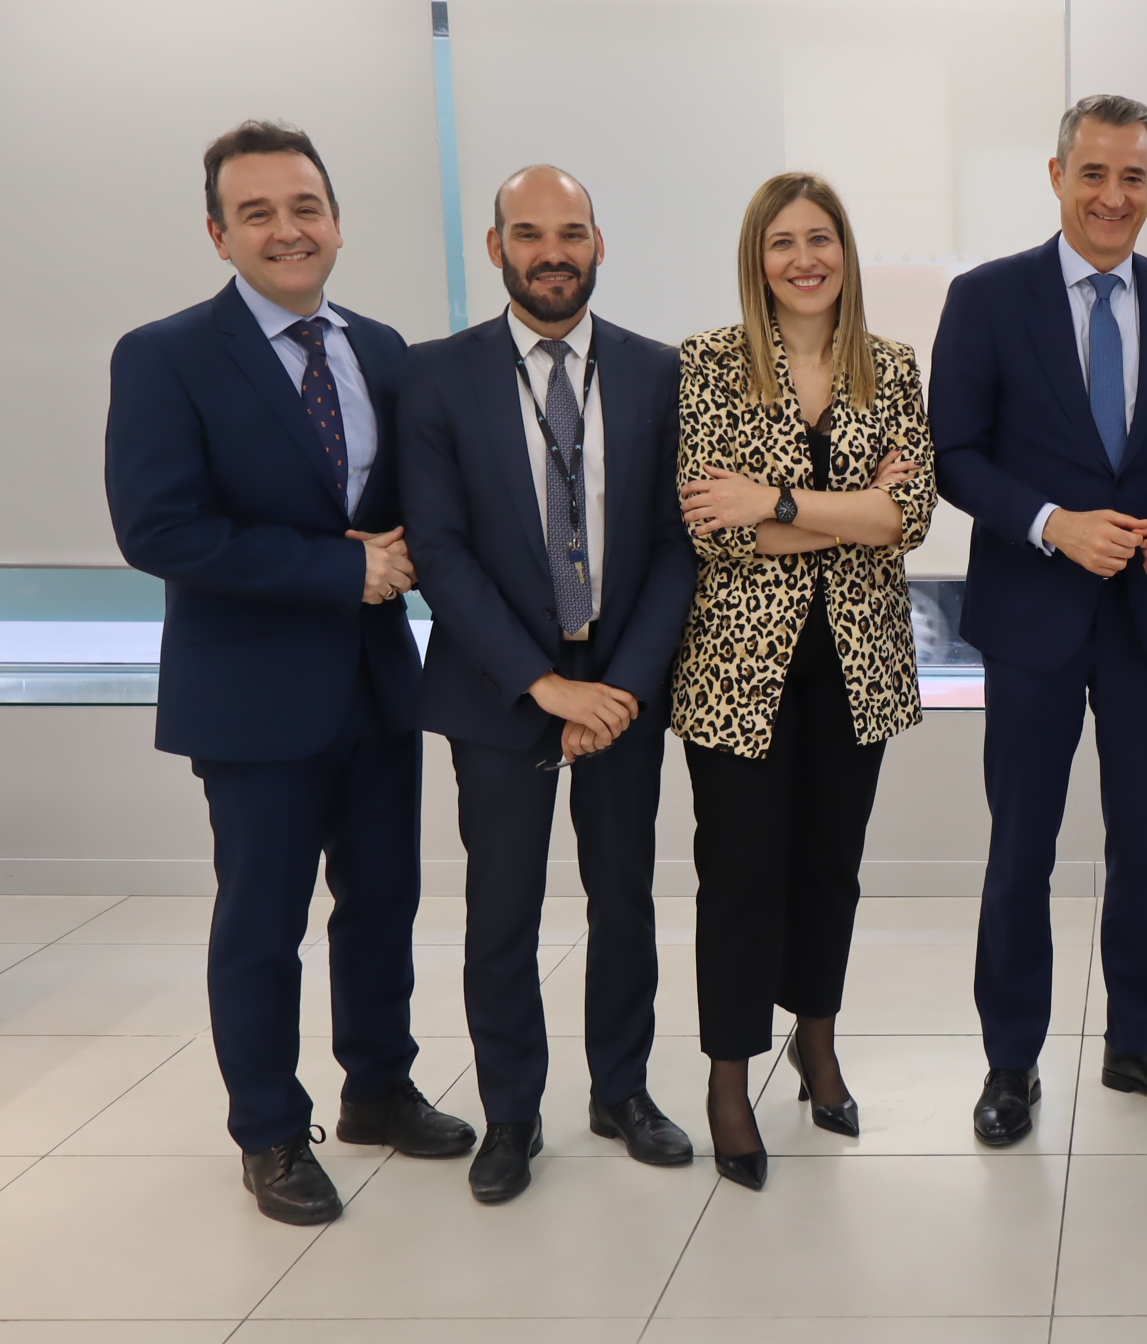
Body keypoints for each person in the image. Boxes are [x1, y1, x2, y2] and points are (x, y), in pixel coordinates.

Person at [104, 121, 472, 1225]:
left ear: (337, 222)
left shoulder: (385, 349)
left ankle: (379, 1088)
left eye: (305, 206)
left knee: (383, 903)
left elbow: (423, 509)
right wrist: (338, 571)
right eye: (257, 212)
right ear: (219, 234)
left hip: (375, 683)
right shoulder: (164, 355)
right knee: (262, 920)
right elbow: (160, 529)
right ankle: (269, 1129)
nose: (287, 229)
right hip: (254, 692)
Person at [931, 94, 1147, 1147]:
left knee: (1144, 846)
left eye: (1135, 177)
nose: (1114, 196)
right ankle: (1010, 1063)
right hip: (1032, 617)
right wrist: (1053, 524)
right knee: (1023, 848)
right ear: (1057, 177)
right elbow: (954, 453)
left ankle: (1140, 1043)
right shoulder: (987, 298)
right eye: (1095, 173)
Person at [397, 166, 697, 1203]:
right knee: (503, 909)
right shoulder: (436, 378)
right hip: (497, 689)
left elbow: (673, 545)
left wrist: (615, 686)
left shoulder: (662, 374)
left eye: (571, 232)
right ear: (496, 249)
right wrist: (542, 685)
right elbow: (438, 549)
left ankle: (622, 1090)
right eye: (529, 233)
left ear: (600, 243)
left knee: (624, 898)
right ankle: (512, 1115)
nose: (552, 251)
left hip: (622, 686)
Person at [673, 172, 935, 1189]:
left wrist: (774, 499)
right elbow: (711, 524)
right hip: (738, 673)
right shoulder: (708, 365)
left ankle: (815, 1041)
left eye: (820, 238)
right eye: (781, 242)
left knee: (830, 866)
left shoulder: (893, 369)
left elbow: (908, 523)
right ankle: (729, 1080)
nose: (804, 258)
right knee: (739, 878)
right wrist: (844, 509)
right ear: (757, 259)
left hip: (855, 671)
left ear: (846, 252)